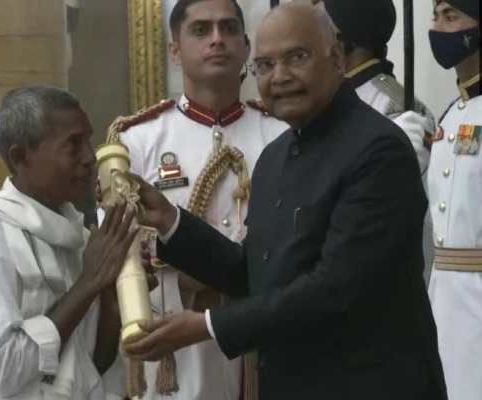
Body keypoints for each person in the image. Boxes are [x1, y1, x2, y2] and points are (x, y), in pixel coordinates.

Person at [125, 3, 446, 399]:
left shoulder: (377, 150)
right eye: (264, 65)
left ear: (336, 60)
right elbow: (258, 272)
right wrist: (172, 221)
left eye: (297, 57)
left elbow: (334, 289)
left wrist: (207, 325)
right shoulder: (276, 156)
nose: (280, 77)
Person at [105, 1, 287, 398]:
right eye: (201, 31)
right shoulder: (138, 140)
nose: (217, 40)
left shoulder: (280, 135)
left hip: (258, 328)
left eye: (228, 29)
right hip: (174, 328)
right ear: (175, 50)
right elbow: (119, 247)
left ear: (245, 45)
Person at [0, 85, 138, 400]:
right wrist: (88, 284)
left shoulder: (83, 240)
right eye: (73, 145)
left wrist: (112, 304)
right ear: (21, 157)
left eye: (88, 141)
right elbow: (3, 369)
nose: (90, 157)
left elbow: (90, 371)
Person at [426, 1, 481, 399]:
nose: (438, 27)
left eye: (450, 16)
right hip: (442, 296)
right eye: (434, 16)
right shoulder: (450, 114)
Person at [320, 0, 435, 173]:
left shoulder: (398, 108)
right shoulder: (320, 95)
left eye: (323, 26)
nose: (310, 35)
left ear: (351, 37)